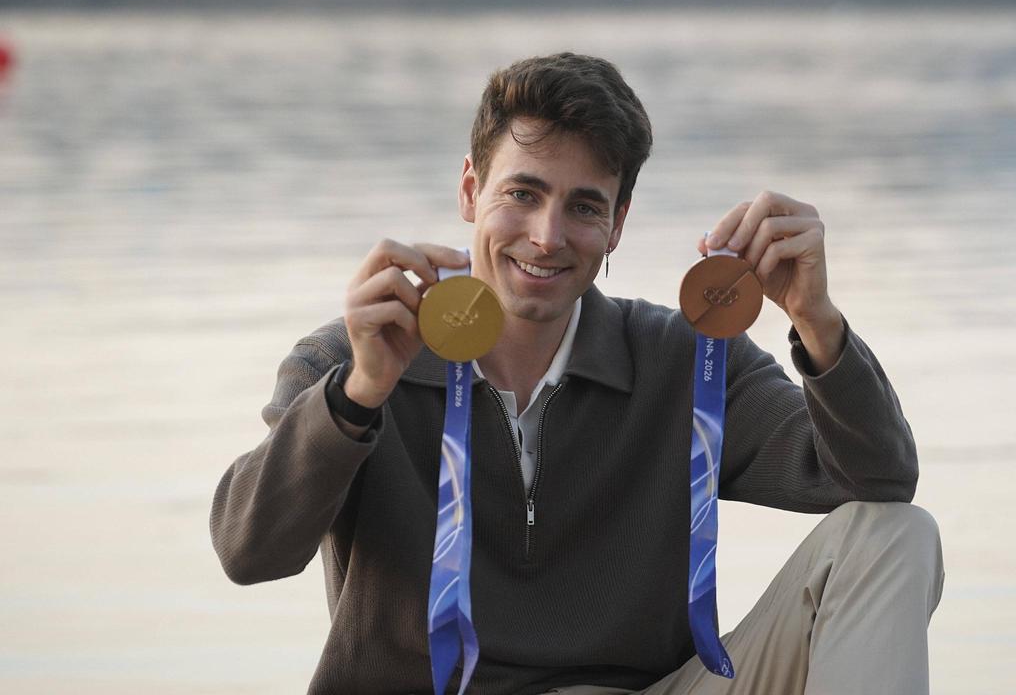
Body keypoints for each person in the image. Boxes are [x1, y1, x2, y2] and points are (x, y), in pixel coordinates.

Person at [210, 52, 944, 695]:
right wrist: (358, 397)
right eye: (522, 194)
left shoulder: (685, 359)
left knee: (895, 536)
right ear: (470, 190)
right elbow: (249, 553)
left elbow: (877, 480)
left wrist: (816, 318)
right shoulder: (351, 359)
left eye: (584, 207)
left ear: (617, 224)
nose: (547, 236)